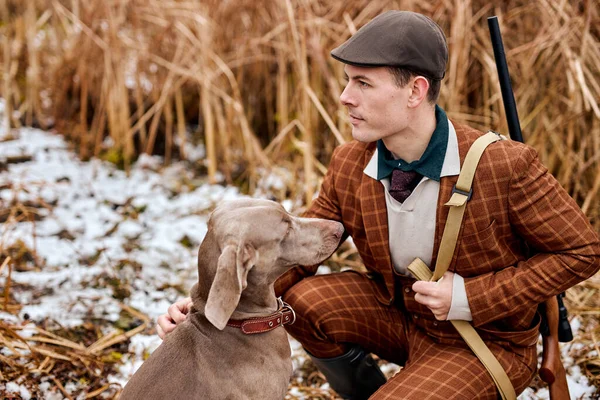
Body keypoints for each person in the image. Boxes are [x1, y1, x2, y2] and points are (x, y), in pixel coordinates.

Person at [157, 10, 600, 399]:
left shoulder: (504, 165)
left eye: (363, 83)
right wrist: (207, 305)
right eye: (348, 81)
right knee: (302, 300)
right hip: (401, 316)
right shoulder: (352, 161)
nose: (346, 96)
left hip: (483, 339)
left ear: (415, 91)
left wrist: (469, 296)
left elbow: (583, 251)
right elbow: (296, 256)